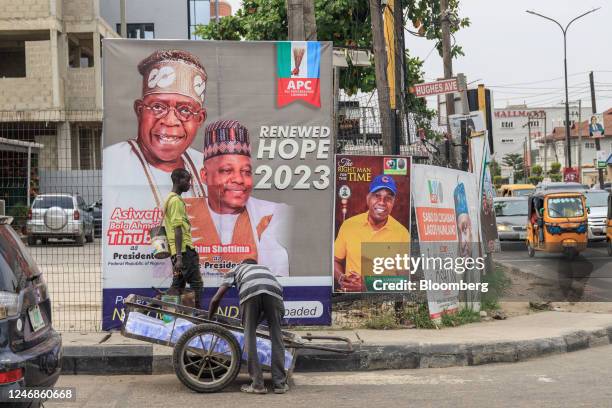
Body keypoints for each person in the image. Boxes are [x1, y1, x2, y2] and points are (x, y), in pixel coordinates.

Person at [184, 120, 291, 277]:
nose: (239, 180)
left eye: (246, 172)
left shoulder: (273, 214)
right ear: (205, 176)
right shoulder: (183, 212)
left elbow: (276, 279)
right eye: (227, 170)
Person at [104, 49, 208, 209]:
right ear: (139, 111)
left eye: (185, 110)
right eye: (158, 106)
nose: (170, 121)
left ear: (199, 119)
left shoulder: (205, 165)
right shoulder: (114, 160)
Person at [208, 259, 288, 395]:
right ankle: (280, 384)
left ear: (242, 263)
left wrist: (209, 321)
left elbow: (216, 298)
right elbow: (272, 293)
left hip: (250, 292)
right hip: (275, 293)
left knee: (249, 336)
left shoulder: (236, 268)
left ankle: (257, 385)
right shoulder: (265, 269)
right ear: (255, 265)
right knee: (276, 336)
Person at [334, 175, 410, 292]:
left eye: (388, 198)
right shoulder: (349, 225)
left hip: (384, 301)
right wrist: (342, 279)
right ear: (368, 198)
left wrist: (367, 285)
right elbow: (335, 260)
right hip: (349, 300)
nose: (382, 202)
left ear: (393, 203)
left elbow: (404, 279)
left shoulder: (402, 234)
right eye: (377, 196)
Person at [164, 168, 203, 309]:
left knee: (177, 286)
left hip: (177, 252)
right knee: (197, 284)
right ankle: (198, 319)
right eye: (187, 180)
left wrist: (176, 255)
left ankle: (160, 312)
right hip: (184, 252)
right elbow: (177, 228)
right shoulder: (176, 201)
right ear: (178, 180)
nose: (189, 184)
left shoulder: (169, 199)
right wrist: (180, 257)